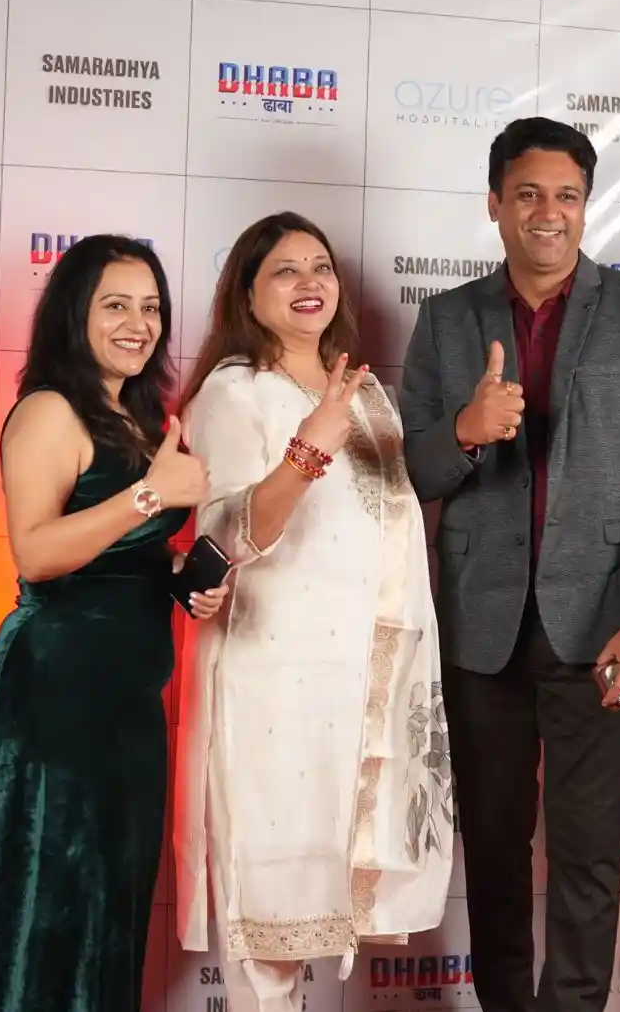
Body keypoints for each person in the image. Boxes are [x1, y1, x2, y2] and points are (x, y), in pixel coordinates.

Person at [399, 117, 620, 1012]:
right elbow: (409, 470)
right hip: (479, 631)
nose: (548, 211)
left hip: (604, 627)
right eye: (528, 193)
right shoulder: (446, 320)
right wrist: (464, 431)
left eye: (566, 195)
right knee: (493, 857)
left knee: (587, 858)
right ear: (495, 203)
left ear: (586, 205)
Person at [172, 211, 454, 1012]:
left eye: (321, 267)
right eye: (285, 270)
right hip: (275, 680)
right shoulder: (235, 391)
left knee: (329, 897)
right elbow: (228, 534)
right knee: (272, 923)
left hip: (357, 682)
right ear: (247, 293)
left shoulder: (361, 392)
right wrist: (307, 447)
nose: (309, 283)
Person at [0, 235, 223, 1012]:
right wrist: (151, 495)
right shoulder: (48, 409)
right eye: (116, 305)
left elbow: (118, 549)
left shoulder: (136, 417)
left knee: (110, 906)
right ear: (75, 312)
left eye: (151, 308)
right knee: (49, 898)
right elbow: (36, 552)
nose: (139, 324)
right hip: (59, 692)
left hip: (129, 703)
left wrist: (178, 574)